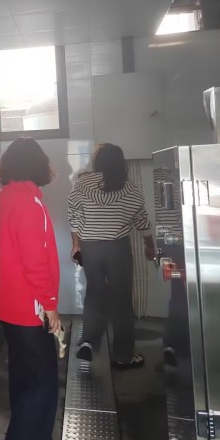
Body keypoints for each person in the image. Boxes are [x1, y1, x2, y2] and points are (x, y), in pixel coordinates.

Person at [0, 138, 67, 440]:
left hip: (6, 306)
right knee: (41, 387)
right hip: (29, 310)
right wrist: (50, 306)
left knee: (24, 382)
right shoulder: (28, 202)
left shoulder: (2, 198)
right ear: (39, 164)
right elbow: (35, 260)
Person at [67, 143, 155, 370]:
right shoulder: (129, 187)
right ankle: (123, 356)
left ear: (98, 161)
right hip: (117, 248)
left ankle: (88, 342)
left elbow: (73, 214)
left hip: (90, 247)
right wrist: (150, 246)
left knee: (94, 293)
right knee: (121, 301)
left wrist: (76, 243)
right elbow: (141, 220)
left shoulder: (83, 183)